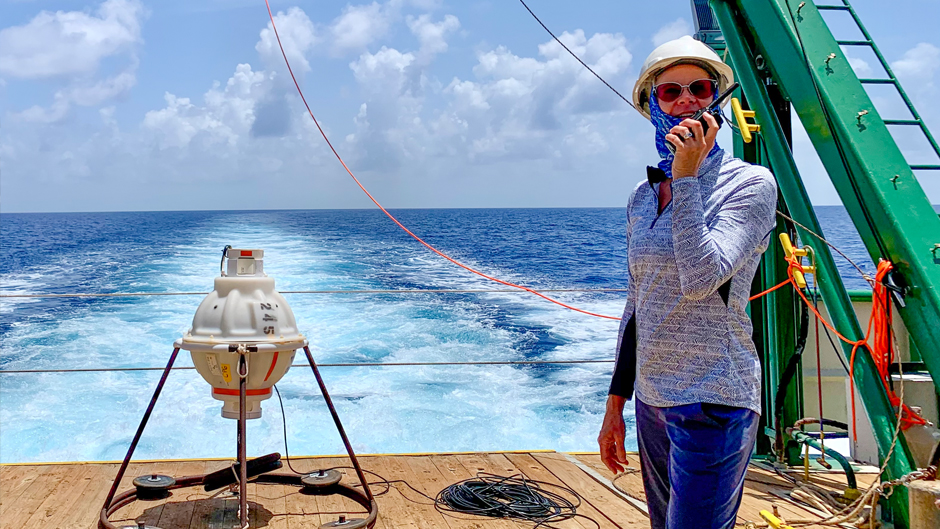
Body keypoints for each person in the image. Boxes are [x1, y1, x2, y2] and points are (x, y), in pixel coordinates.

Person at [597, 36, 778, 529]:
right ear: (651, 105)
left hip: (714, 402)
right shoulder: (642, 195)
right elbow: (637, 304)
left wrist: (688, 177)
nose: (686, 101)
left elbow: (702, 279)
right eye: (670, 91)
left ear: (717, 99)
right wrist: (616, 404)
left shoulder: (751, 184)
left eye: (699, 88)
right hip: (653, 401)